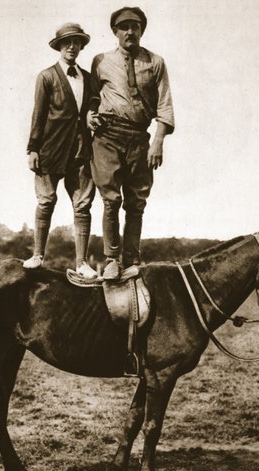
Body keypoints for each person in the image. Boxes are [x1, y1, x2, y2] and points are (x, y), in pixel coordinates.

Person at [87, 6, 175, 280]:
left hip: (139, 138)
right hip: (108, 136)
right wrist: (90, 115)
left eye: (135, 26)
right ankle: (112, 259)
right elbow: (91, 97)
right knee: (111, 199)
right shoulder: (100, 60)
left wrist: (158, 141)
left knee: (136, 203)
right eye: (124, 27)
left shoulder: (156, 62)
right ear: (115, 31)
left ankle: (132, 259)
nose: (129, 31)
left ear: (141, 31)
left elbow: (164, 105)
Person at [24, 22, 97, 279]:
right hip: (50, 149)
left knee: (83, 204)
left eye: (76, 42)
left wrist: (91, 115)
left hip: (80, 151)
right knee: (46, 201)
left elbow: (92, 106)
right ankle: (37, 255)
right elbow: (39, 114)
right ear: (59, 47)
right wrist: (33, 149)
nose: (72, 47)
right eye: (67, 42)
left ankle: (81, 263)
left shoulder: (88, 78)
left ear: (81, 46)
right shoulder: (46, 76)